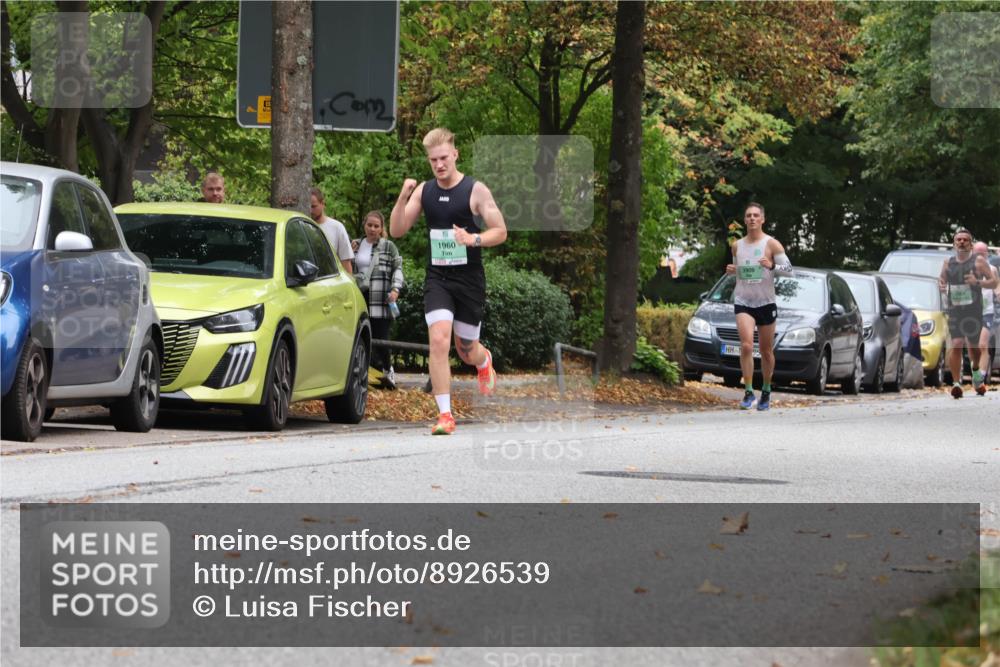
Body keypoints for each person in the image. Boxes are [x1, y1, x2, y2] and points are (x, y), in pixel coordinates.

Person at [389, 127, 507, 435]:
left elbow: (501, 231)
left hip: (468, 280)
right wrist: (403, 197)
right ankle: (445, 415)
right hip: (438, 278)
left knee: (466, 349)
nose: (439, 165)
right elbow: (398, 230)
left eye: (443, 158)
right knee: (439, 340)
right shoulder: (424, 191)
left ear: (454, 154)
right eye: (433, 160)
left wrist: (473, 238)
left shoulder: (475, 190)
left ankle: (483, 362)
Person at [725, 202, 792, 411]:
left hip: (765, 302)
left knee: (765, 351)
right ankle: (748, 392)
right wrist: (732, 270)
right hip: (744, 300)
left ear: (762, 219)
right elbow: (738, 269)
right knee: (746, 345)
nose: (752, 218)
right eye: (748, 215)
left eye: (756, 215)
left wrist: (771, 266)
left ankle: (766, 390)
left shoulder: (772, 244)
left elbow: (789, 270)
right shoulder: (737, 245)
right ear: (745, 220)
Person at [938, 229, 994, 398]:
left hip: (973, 310)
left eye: (965, 240)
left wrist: (977, 282)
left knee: (974, 347)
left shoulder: (978, 262)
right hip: (955, 310)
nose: (961, 242)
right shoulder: (948, 262)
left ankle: (976, 370)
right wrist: (942, 286)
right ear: (954, 243)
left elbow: (993, 282)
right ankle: (956, 384)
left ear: (970, 244)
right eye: (958, 239)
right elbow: (942, 280)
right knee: (956, 343)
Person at [352, 211, 404, 388]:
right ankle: (366, 375)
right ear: (364, 225)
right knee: (361, 336)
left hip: (380, 298)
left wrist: (396, 288)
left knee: (382, 338)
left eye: (376, 226)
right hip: (360, 296)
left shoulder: (388, 247)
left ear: (382, 228)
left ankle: (388, 372)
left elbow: (398, 268)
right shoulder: (355, 245)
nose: (372, 229)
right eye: (369, 225)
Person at [971, 241, 1000, 387]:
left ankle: (979, 378)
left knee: (983, 345)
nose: (980, 256)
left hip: (987, 312)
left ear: (987, 254)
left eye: (983, 253)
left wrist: (998, 293)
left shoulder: (992, 269)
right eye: (977, 253)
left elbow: (997, 286)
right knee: (973, 347)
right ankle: (976, 370)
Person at [309, 187, 354, 275]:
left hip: (331, 281)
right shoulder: (299, 225)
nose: (310, 210)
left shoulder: (337, 227)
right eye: (308, 206)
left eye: (313, 206)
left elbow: (345, 262)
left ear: (323, 204)